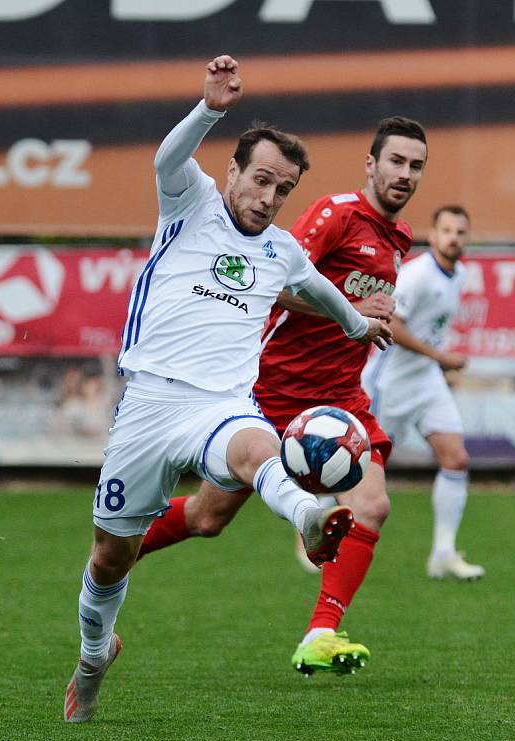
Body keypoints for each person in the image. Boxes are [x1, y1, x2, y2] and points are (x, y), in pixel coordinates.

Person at [63, 55, 393, 723]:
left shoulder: (279, 249)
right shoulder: (189, 204)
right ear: (233, 173)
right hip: (150, 403)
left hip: (220, 404)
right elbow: (166, 156)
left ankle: (306, 517)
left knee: (256, 448)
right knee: (109, 555)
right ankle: (94, 656)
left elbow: (316, 287)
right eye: (261, 179)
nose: (269, 197)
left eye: (283, 188)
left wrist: (356, 322)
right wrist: (210, 108)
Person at [136, 111, 428, 676]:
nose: (405, 174)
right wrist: (348, 308)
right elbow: (267, 279)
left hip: (341, 401)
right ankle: (119, 541)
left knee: (374, 504)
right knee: (205, 518)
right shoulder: (337, 214)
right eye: (395, 161)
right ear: (370, 164)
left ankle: (321, 632)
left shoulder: (400, 237)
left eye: (416, 166)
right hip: (273, 393)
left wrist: (365, 317)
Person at [363, 205, 484, 580]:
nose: (453, 238)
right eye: (446, 230)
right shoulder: (416, 276)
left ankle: (443, 554)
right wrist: (440, 357)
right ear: (432, 234)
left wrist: (436, 363)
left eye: (460, 232)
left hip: (426, 380)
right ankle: (312, 525)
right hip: (391, 384)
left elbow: (431, 328)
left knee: (456, 459)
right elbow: (391, 326)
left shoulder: (459, 274)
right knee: (358, 469)